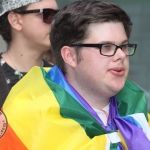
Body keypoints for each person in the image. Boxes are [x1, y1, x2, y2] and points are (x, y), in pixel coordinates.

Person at [0, 0, 150, 149]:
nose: (121, 55)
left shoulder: (139, 113)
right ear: (70, 56)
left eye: (123, 46)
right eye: (106, 47)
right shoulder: (26, 117)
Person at [0, 0, 58, 90]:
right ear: (16, 21)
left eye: (57, 15)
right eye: (47, 14)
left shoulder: (59, 77)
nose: (55, 23)